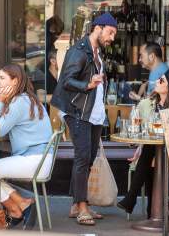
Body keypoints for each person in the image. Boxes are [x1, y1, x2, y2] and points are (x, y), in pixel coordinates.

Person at [50, 12, 117, 226]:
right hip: (77, 111)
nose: (112, 38)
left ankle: (75, 204)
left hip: (93, 113)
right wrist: (87, 85)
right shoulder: (79, 51)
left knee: (88, 159)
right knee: (82, 158)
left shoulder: (95, 52)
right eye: (110, 32)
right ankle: (81, 207)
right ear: (98, 28)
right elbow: (66, 81)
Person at [0, 64, 52, 227]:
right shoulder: (28, 98)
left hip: (34, 161)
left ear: (15, 81)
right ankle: (21, 202)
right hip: (39, 159)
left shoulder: (19, 102)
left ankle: (15, 209)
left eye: (2, 78)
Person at [117, 69, 169, 216]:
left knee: (150, 154)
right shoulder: (145, 104)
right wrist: (139, 146)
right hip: (149, 152)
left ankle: (133, 198)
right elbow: (139, 131)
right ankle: (152, 212)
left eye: (161, 80)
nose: (157, 81)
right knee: (150, 153)